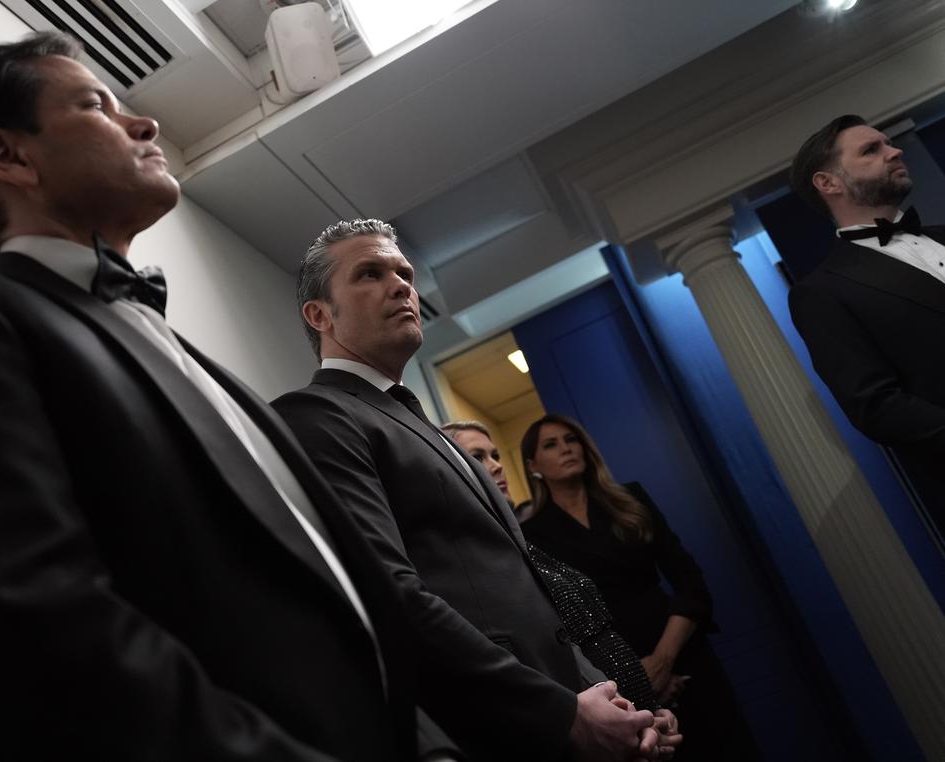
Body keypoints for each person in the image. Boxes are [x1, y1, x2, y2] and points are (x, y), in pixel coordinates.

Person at [0, 34, 448, 761]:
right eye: (96, 105)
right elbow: (21, 640)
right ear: (7, 155)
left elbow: (344, 597)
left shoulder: (199, 366)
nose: (146, 125)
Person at [272, 219, 670, 762]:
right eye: (370, 273)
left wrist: (617, 703)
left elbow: (532, 596)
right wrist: (562, 712)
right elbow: (388, 593)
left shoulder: (427, 429)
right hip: (492, 730)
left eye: (404, 274)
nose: (400, 286)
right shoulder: (316, 416)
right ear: (320, 315)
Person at [519, 414, 758, 761]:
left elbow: (691, 583)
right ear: (533, 465)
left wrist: (663, 661)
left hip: (682, 655)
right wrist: (638, 678)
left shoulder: (630, 499)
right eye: (551, 444)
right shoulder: (534, 535)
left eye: (571, 439)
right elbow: (561, 623)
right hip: (618, 681)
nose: (566, 449)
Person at [440, 421, 663, 713]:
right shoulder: (474, 561)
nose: (496, 466)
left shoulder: (518, 543)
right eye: (478, 457)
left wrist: (651, 711)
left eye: (495, 455)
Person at [788, 114, 945, 513]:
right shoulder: (821, 292)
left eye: (888, 143)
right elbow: (876, 406)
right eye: (871, 149)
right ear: (828, 183)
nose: (895, 151)